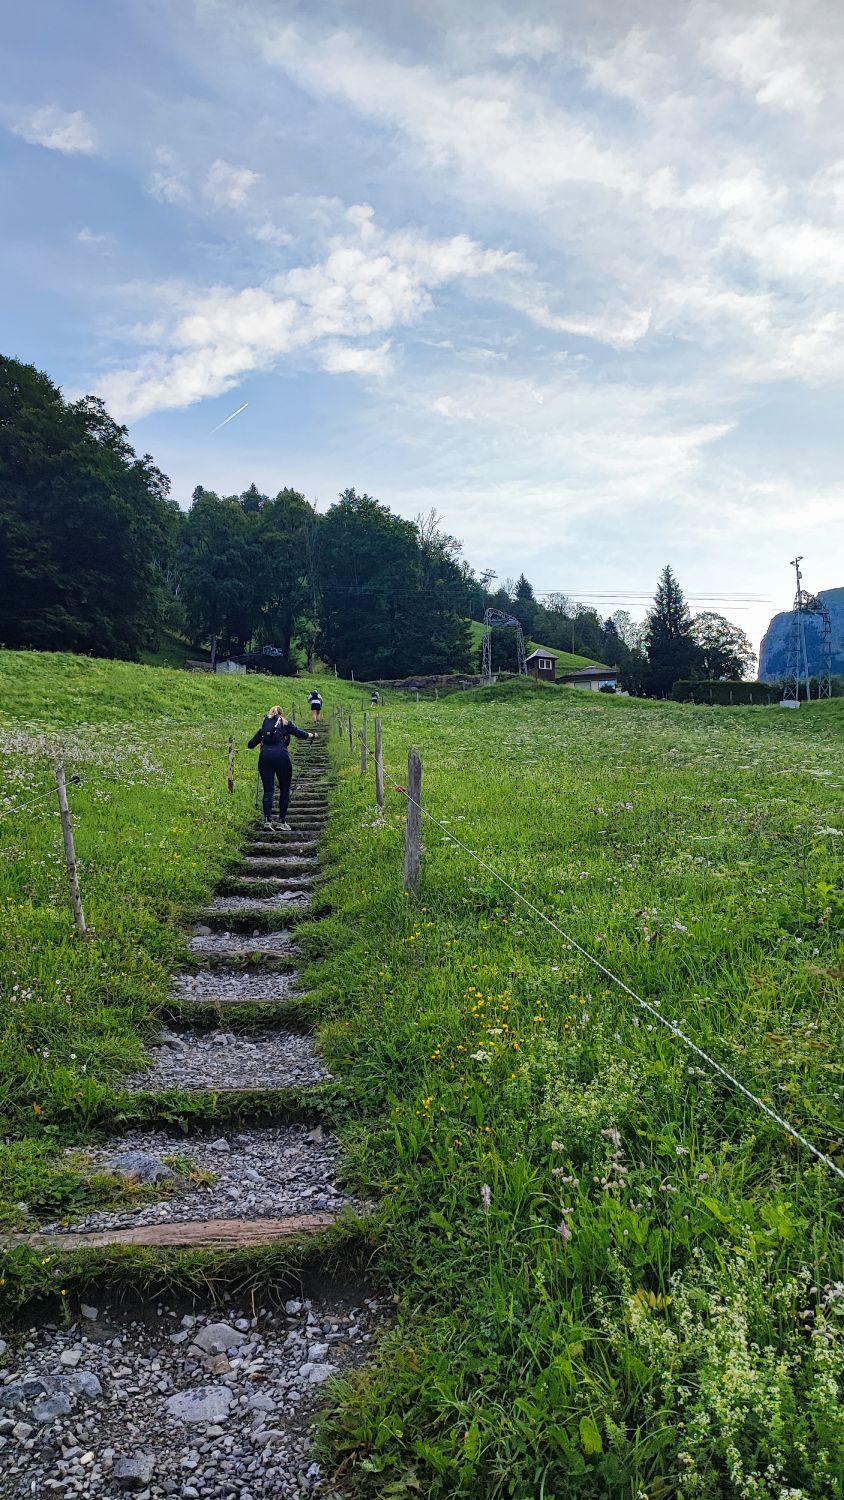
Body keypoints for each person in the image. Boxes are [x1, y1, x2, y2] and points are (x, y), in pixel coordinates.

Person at [247, 706, 315, 831]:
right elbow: (301, 734)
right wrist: (312, 735)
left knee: (268, 790)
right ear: (281, 714)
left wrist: (262, 739)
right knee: (284, 789)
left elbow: (250, 745)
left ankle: (267, 821)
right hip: (282, 757)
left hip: (265, 758)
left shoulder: (264, 729)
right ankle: (282, 821)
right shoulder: (286, 724)